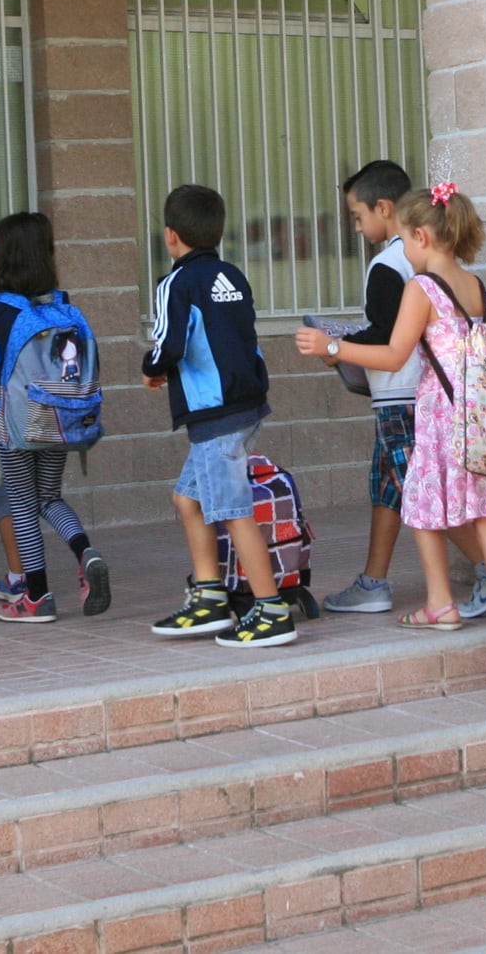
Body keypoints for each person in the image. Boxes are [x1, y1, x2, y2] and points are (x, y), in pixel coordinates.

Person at [295, 181, 486, 696]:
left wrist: (333, 345)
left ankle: (481, 621)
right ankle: (481, 619)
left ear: (420, 236)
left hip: (441, 420)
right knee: (453, 516)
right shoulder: (477, 288)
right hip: (483, 423)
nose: (404, 253)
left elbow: (394, 355)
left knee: (430, 507)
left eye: (407, 244)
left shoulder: (422, 288)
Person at [320, 161, 486, 621]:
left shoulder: (393, 266)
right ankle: (373, 581)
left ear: (388, 210)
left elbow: (389, 342)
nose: (358, 228)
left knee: (420, 490)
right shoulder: (460, 275)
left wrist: (335, 346)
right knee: (390, 489)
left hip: (406, 397)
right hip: (424, 396)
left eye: (358, 217)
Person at [144, 186, 295, 649]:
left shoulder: (176, 283)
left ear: (171, 236)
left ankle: (271, 610)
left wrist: (152, 369)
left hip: (215, 414)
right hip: (246, 406)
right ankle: (210, 595)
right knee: (188, 500)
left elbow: (169, 341)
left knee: (232, 511)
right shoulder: (231, 275)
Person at [0, 213, 110, 623]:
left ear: (0, 258)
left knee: (22, 505)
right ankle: (86, 553)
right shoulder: (62, 303)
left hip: (18, 424)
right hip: (62, 420)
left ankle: (37, 597)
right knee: (50, 498)